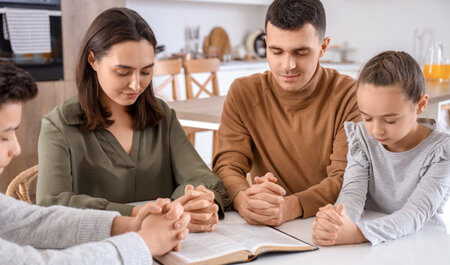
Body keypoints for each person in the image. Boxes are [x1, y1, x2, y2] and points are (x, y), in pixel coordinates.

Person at [36, 7, 231, 232]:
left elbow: (200, 176)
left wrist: (198, 202)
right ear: (93, 60)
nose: (136, 85)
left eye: (146, 72)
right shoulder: (58, 126)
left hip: (174, 247)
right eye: (123, 72)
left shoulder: (162, 116)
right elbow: (52, 205)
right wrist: (139, 215)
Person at [0, 60, 190, 264]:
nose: (16, 149)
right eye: (4, 136)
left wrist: (129, 225)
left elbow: (29, 221)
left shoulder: (163, 115)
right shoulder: (59, 123)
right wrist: (144, 243)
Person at [213, 0, 359, 226]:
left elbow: (346, 178)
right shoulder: (243, 93)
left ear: (323, 47)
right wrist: (244, 200)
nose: (287, 65)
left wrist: (290, 207)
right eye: (276, 51)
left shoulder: (350, 95)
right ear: (266, 43)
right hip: (268, 228)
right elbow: (228, 166)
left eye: (301, 52)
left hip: (331, 223)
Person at [312, 51, 450, 246]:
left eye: (390, 120)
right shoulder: (362, 137)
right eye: (367, 117)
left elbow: (415, 214)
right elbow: (352, 193)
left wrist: (358, 233)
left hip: (422, 244)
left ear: (420, 105)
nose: (376, 130)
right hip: (372, 245)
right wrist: (337, 220)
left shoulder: (441, 150)